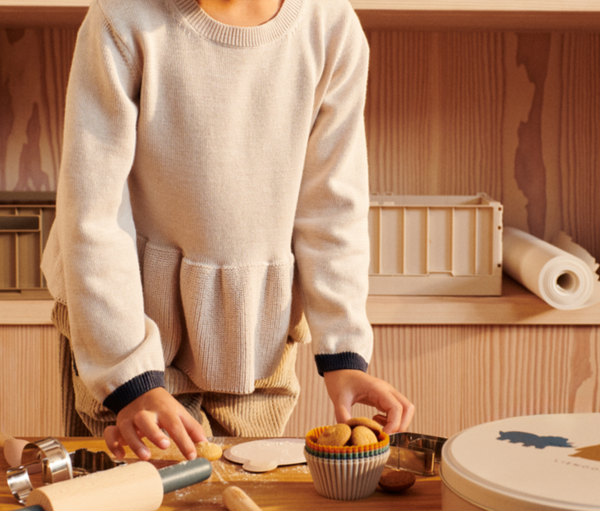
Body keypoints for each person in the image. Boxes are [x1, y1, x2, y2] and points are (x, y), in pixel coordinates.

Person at [41, 0, 415, 461]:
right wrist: (128, 377)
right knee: (123, 499)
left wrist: (344, 354)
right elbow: (92, 214)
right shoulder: (120, 19)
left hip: (255, 339)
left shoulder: (331, 28)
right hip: (120, 324)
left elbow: (333, 207)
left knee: (239, 492)